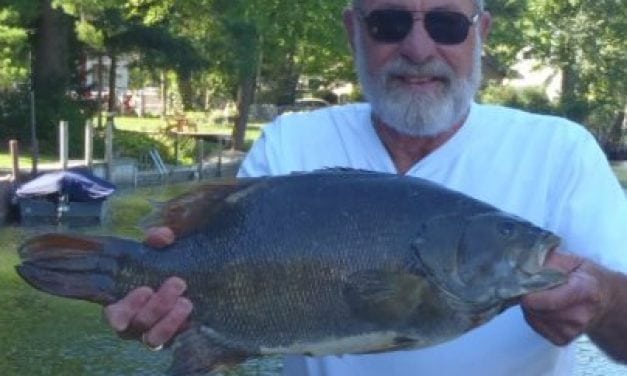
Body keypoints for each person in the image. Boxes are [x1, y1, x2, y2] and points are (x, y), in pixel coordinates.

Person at [104, 0, 627, 374]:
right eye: (389, 23)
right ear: (354, 29)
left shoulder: (561, 150)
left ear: (482, 33)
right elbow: (221, 298)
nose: (419, 48)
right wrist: (157, 312)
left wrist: (602, 299)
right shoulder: (291, 142)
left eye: (446, 24)